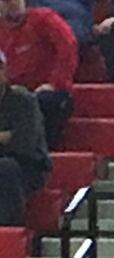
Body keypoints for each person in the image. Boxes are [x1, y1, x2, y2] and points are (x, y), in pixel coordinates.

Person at [0, 0, 76, 147]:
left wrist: (55, 83)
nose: (14, 4)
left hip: (46, 92)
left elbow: (68, 46)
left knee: (43, 103)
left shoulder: (44, 19)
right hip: (12, 93)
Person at [0, 52, 48, 227]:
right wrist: (4, 136)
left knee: (6, 168)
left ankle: (9, 230)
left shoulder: (24, 100)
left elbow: (23, 143)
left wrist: (10, 139)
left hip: (28, 166)